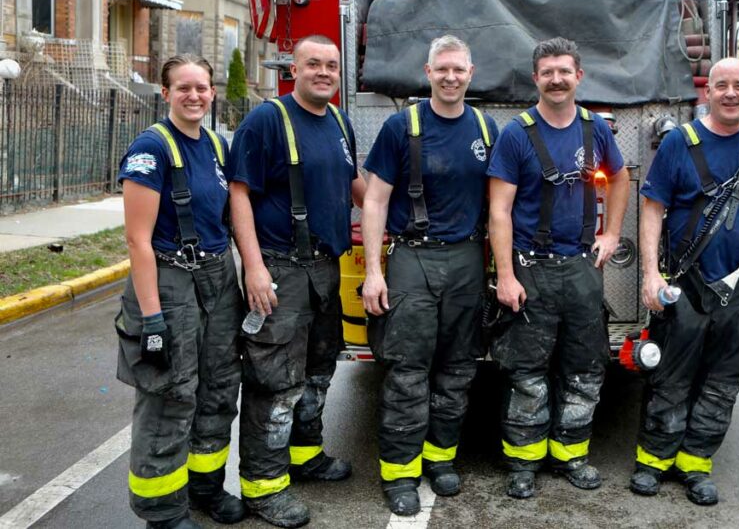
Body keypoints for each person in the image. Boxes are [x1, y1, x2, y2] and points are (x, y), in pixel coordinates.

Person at [630, 58, 739, 506]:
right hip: (685, 280)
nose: (731, 93)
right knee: (671, 377)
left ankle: (695, 465)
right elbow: (653, 207)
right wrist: (649, 274)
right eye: (722, 86)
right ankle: (653, 461)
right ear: (709, 93)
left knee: (722, 381)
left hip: (738, 285)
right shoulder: (680, 142)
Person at [228, 35, 366, 528]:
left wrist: (395, 215)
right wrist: (255, 267)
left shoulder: (339, 123)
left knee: (317, 372)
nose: (324, 72)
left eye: (332, 64)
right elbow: (239, 194)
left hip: (326, 269)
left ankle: (305, 456)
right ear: (295, 69)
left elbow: (356, 187)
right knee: (275, 383)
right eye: (314, 64)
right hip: (280, 269)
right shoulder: (268, 119)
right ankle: (264, 487)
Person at [360, 35, 499, 516]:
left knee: (458, 371)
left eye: (458, 69)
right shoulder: (402, 127)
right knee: (407, 372)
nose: (451, 77)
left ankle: (441, 460)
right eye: (442, 69)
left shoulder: (486, 128)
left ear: (470, 73)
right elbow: (374, 200)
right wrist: (374, 272)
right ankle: (400, 472)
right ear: (428, 71)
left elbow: (502, 206)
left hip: (466, 262)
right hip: (412, 261)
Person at [487, 37, 629, 499]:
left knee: (584, 368)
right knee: (526, 371)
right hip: (531, 270)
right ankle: (524, 460)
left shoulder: (595, 130)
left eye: (564, 71)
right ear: (536, 79)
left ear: (578, 77)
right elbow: (499, 212)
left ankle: (571, 454)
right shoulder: (516, 134)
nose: (556, 79)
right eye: (547, 72)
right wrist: (505, 275)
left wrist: (611, 234)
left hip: (582, 268)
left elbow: (621, 177)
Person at [116, 55, 245, 528]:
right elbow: (137, 240)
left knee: (217, 387)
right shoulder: (151, 149)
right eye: (184, 88)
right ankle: (162, 509)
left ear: (213, 93)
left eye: (202, 88)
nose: (194, 96)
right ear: (165, 92)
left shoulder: (214, 144)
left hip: (216, 277)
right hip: (170, 279)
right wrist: (151, 319)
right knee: (171, 392)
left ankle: (204, 488)